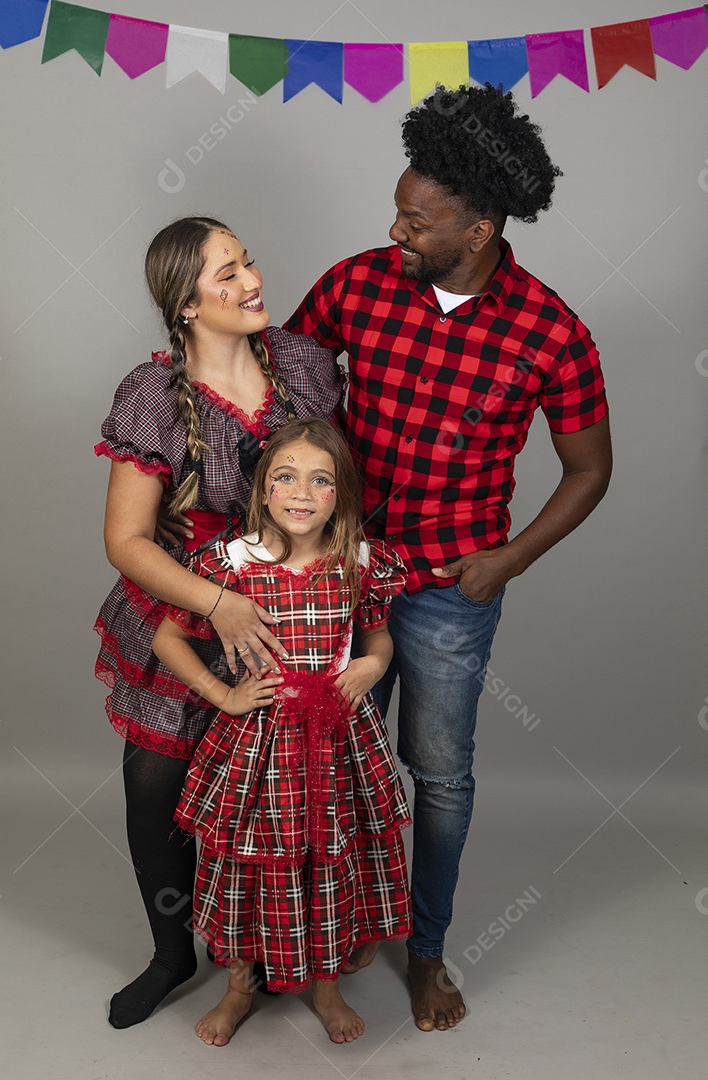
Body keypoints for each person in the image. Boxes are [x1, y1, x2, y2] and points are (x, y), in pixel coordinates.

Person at [284, 84, 613, 1032]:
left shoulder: (551, 330)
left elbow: (589, 471)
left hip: (448, 590)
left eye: (416, 219)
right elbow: (288, 396)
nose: (394, 229)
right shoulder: (354, 284)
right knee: (332, 761)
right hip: (340, 576)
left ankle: (425, 952)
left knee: (440, 773)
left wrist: (509, 559)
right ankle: (336, 934)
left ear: (478, 230)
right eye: (395, 208)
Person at [94, 217, 344, 1028]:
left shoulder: (303, 366)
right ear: (187, 304)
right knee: (154, 782)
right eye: (226, 275)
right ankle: (172, 955)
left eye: (248, 262)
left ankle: (266, 949)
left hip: (291, 610)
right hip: (190, 597)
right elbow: (125, 542)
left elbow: (330, 488)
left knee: (271, 786)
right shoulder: (151, 394)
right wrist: (219, 603)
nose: (251, 282)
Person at [152, 417, 411, 1046]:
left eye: (321, 481)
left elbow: (376, 635)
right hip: (259, 744)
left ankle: (326, 986)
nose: (302, 492)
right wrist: (223, 695)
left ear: (340, 496)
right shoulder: (231, 564)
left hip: (335, 743)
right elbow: (167, 637)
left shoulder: (358, 562)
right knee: (247, 864)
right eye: (286, 477)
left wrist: (373, 664)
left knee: (329, 857)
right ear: (263, 489)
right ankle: (240, 987)